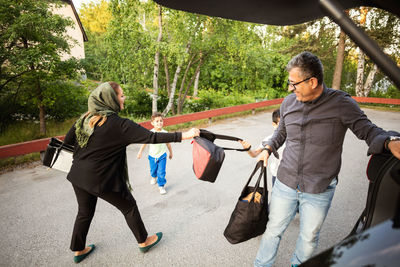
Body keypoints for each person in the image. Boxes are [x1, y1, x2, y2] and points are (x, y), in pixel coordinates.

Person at [253, 51, 400, 267]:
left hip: (319, 189)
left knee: (309, 237)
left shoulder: (341, 103)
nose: (290, 88)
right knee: (273, 229)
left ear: (312, 81)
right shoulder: (288, 103)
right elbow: (280, 133)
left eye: (293, 83)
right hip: (285, 182)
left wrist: (388, 141)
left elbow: (368, 130)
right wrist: (268, 147)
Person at [63, 82, 200, 263]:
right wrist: (185, 135)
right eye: (121, 95)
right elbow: (152, 137)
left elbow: (67, 143)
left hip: (78, 176)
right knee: (128, 207)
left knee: (84, 212)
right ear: (111, 99)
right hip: (101, 179)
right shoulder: (119, 125)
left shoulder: (84, 119)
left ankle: (78, 249)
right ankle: (144, 241)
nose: (123, 98)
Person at [239, 108, 284, 187]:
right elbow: (255, 154)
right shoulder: (269, 139)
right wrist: (248, 149)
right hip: (277, 177)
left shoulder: (295, 138)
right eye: (281, 124)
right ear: (274, 124)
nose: (285, 127)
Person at [137, 112, 172, 195]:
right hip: (152, 156)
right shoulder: (150, 133)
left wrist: (171, 152)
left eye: (161, 121)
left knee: (161, 172)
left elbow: (168, 144)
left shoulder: (165, 133)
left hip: (162, 156)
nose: (159, 122)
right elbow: (145, 143)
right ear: (152, 123)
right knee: (153, 171)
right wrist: (140, 152)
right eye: (157, 121)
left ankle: (161, 186)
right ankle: (153, 177)